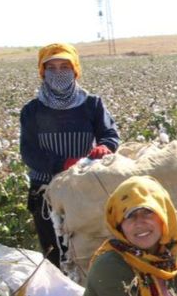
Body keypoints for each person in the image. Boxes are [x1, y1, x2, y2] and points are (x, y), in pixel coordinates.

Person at [19, 43, 120, 267]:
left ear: (75, 70)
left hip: (85, 188)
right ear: (42, 72)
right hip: (46, 193)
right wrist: (63, 164)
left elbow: (110, 134)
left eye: (64, 66)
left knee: (90, 252)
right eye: (51, 67)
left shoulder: (92, 104)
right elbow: (29, 152)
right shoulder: (32, 110)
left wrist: (105, 147)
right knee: (54, 254)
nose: (58, 73)